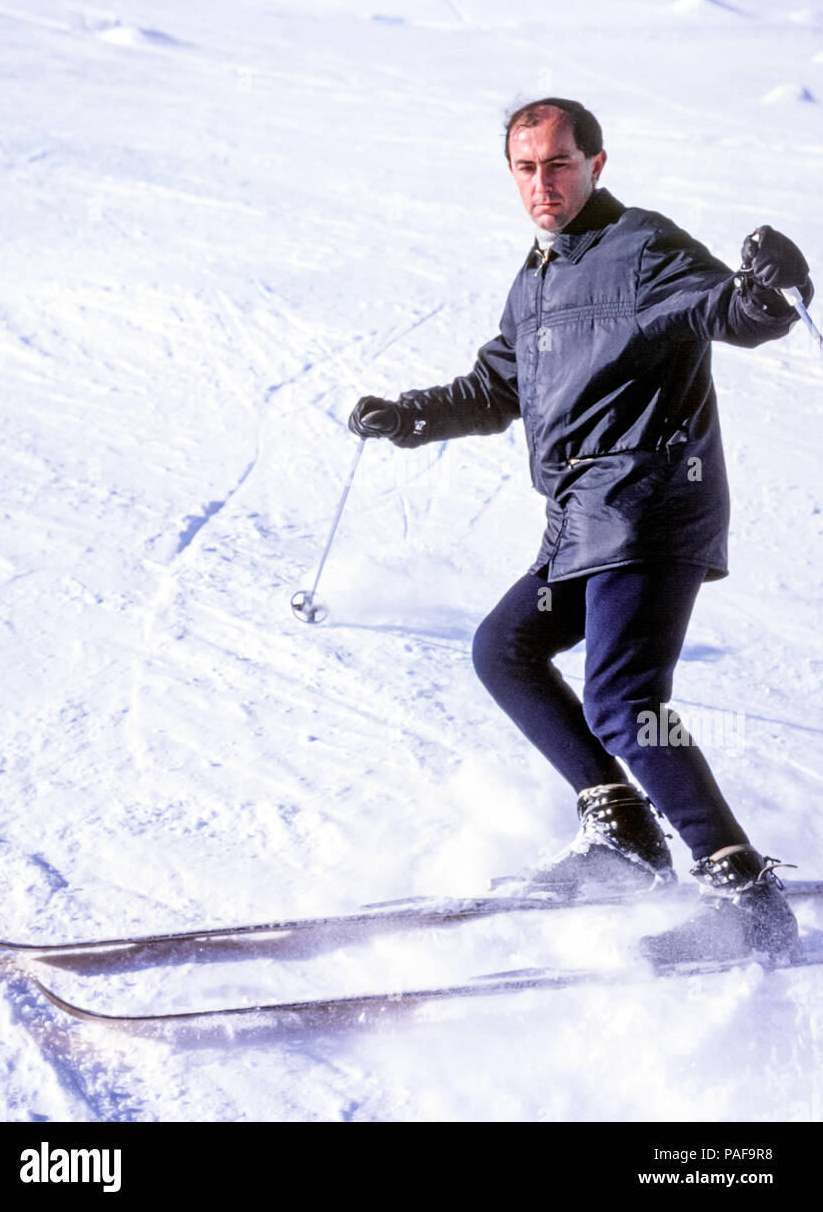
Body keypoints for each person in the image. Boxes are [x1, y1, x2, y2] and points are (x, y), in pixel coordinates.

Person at [348, 97, 814, 965]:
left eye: (558, 164)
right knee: (504, 650)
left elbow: (730, 313)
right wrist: (409, 416)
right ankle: (625, 834)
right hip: (582, 520)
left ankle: (741, 889)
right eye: (525, 168)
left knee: (628, 701)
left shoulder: (641, 245)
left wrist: (768, 292)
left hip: (651, 504)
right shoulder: (535, 278)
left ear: (596, 163)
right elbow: (497, 388)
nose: (541, 184)